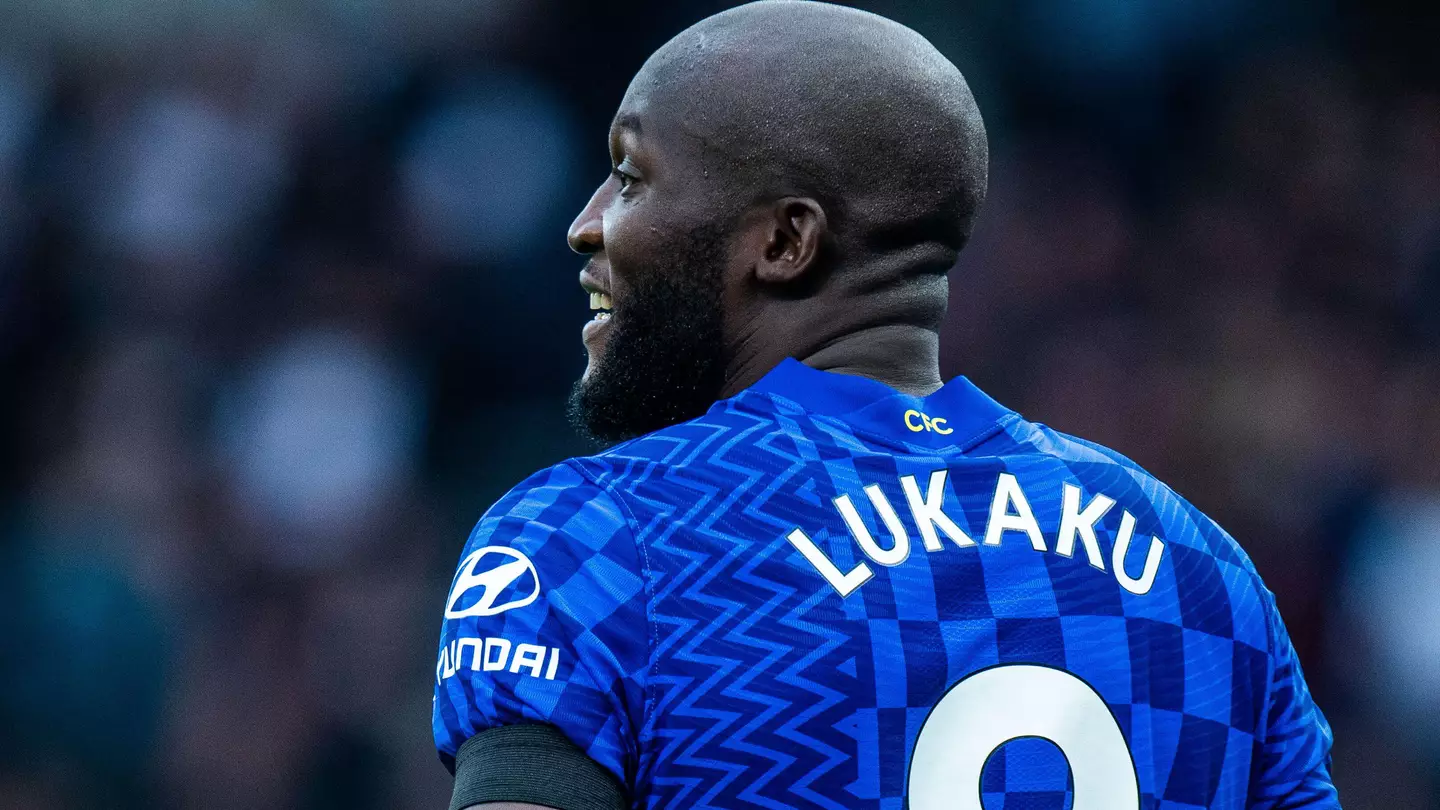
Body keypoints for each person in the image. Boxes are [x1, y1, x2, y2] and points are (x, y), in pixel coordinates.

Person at [432, 2, 1341, 808]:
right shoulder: (1204, 576)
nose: (586, 222)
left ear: (786, 241)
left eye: (631, 177)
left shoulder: (601, 542)